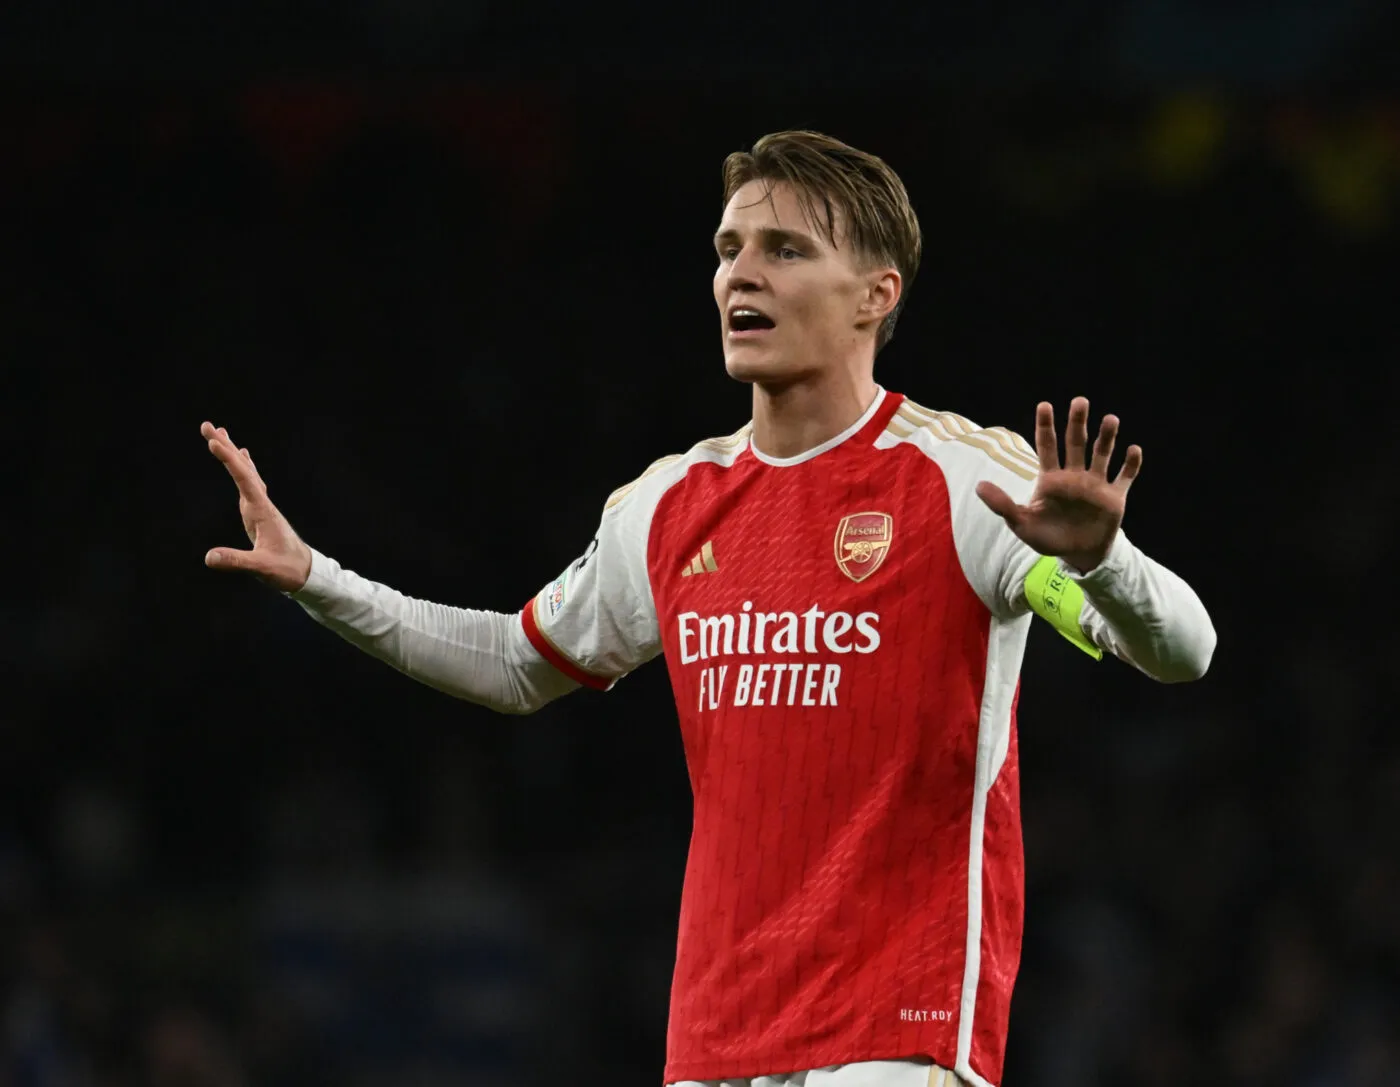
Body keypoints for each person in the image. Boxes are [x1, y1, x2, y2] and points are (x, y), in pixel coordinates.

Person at [199, 130, 1215, 1087]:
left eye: (783, 249)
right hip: (717, 1034)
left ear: (874, 293)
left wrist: (1104, 561)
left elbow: (1180, 649)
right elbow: (515, 662)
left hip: (894, 1031)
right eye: (728, 248)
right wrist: (318, 580)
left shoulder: (958, 484)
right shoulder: (668, 508)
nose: (741, 273)